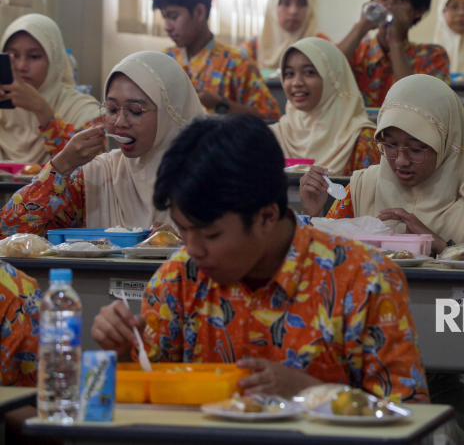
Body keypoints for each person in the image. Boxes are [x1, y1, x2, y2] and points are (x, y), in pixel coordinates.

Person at [90, 114, 428, 403]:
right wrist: (121, 354)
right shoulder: (177, 281)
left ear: (266, 216)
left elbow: (405, 415)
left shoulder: (364, 282)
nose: (192, 249)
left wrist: (314, 394)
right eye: (183, 230)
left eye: (210, 235)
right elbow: (146, 402)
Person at [299, 74, 464, 259]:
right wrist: (310, 214)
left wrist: (440, 245)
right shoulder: (362, 188)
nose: (400, 161)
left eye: (416, 150)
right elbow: (316, 263)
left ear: (447, 144)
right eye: (389, 146)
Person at [0, 51, 204, 236]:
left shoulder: (210, 179)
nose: (120, 122)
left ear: (171, 114)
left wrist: (184, 246)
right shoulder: (94, 177)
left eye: (135, 111)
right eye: (112, 109)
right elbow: (8, 231)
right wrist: (61, 166)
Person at [154, 0, 280, 119]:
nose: (167, 26)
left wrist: (221, 104)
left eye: (173, 17)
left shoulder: (237, 64)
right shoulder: (165, 61)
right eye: (164, 18)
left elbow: (270, 117)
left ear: (199, 12)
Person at [337, 0, 450, 107]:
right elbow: (324, 72)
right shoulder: (357, 52)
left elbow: (416, 106)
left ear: (418, 11)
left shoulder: (433, 56)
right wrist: (361, 27)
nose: (389, 5)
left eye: (401, 0)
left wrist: (395, 43)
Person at [269, 38, 379, 176]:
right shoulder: (274, 136)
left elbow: (372, 196)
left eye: (309, 72)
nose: (296, 82)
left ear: (333, 78)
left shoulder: (362, 140)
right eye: (289, 74)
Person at [0, 14, 102, 163]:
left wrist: (41, 108)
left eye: (34, 56)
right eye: (13, 55)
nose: (21, 66)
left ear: (54, 61)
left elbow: (87, 170)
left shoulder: (83, 110)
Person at [238, 0, 329, 77]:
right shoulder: (253, 48)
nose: (293, 11)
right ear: (273, 8)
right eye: (285, 3)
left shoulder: (322, 45)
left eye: (301, 3)